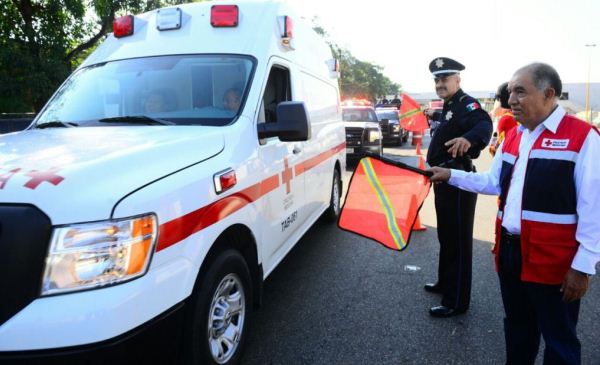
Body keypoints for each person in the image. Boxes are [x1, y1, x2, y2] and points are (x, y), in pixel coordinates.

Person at [428, 63, 599, 364]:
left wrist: (583, 267)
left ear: (549, 94)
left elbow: (594, 207)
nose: (511, 100)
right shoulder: (516, 136)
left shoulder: (583, 138)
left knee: (559, 341)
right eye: (510, 92)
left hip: (555, 261)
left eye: (520, 91)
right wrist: (450, 175)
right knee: (518, 331)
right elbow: (492, 182)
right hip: (510, 253)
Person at [424, 57, 493, 317]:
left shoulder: (467, 103)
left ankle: (456, 301)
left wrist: (468, 138)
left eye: (445, 79)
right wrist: (436, 115)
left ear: (458, 80)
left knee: (459, 243)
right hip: (445, 180)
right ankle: (445, 283)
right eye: (437, 79)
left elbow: (485, 124)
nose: (441, 83)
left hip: (459, 181)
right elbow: (451, 121)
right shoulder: (450, 105)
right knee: (446, 236)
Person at [489, 82, 518, 156]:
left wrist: (492, 148)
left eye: (495, 100)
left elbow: (500, 146)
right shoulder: (516, 116)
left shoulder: (506, 119)